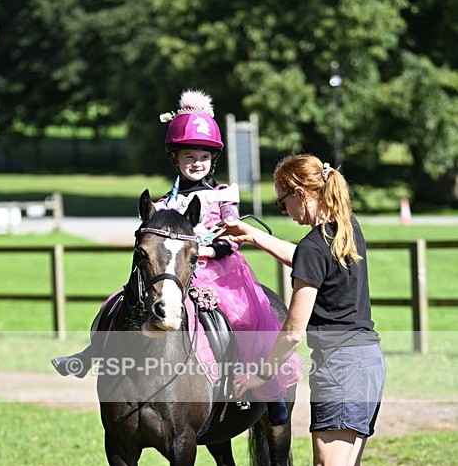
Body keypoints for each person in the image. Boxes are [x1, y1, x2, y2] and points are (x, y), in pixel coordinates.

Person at [52, 90, 302, 426]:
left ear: (213, 159)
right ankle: (89, 355)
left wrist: (208, 251)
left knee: (246, 318)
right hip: (173, 271)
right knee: (117, 302)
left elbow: (235, 238)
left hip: (219, 270)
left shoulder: (223, 195)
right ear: (176, 159)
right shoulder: (164, 202)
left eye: (203, 156)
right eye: (188, 156)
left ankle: (264, 391)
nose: (196, 163)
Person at [221, 154, 386, 466]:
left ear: (301, 192)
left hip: (339, 368)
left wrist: (261, 373)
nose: (286, 212)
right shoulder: (347, 230)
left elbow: (293, 329)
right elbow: (306, 257)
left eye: (284, 202)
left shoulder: (316, 245)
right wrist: (257, 237)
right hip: (369, 361)